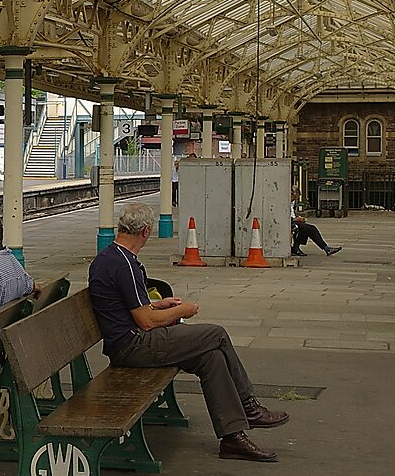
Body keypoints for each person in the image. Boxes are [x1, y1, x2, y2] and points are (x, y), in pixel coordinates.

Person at [88, 203, 288, 463]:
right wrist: (183, 310)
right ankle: (249, 407)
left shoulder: (114, 258)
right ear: (146, 231)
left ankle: (232, 438)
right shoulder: (123, 264)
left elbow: (132, 307)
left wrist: (159, 304)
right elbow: (147, 322)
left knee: (211, 358)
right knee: (216, 334)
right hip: (134, 345)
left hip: (129, 339)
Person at [290, 189, 341, 257]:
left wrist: (298, 218)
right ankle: (326, 249)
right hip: (290, 222)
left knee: (310, 228)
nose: (294, 200)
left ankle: (327, 249)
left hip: (294, 221)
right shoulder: (284, 202)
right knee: (307, 228)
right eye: (294, 197)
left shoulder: (292, 203)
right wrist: (295, 219)